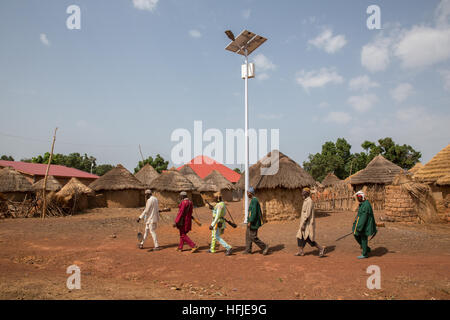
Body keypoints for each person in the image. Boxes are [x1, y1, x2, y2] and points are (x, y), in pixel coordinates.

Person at [295, 187, 325, 257]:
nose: (302, 193)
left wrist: (304, 224)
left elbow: (307, 214)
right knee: (299, 236)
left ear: (307, 193)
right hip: (304, 222)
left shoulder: (309, 201)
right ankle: (300, 251)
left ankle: (321, 248)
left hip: (307, 223)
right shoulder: (305, 200)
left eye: (303, 191)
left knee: (308, 238)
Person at [243, 187, 269, 255]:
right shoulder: (253, 200)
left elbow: (253, 212)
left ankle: (264, 246)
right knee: (248, 235)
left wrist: (250, 221)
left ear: (250, 193)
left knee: (253, 237)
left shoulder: (254, 201)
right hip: (251, 221)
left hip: (254, 222)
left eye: (247, 193)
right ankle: (248, 250)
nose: (247, 194)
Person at [353, 191, 377, 259]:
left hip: (364, 225)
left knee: (363, 238)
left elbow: (364, 217)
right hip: (361, 223)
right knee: (356, 234)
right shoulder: (363, 204)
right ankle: (366, 248)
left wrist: (359, 227)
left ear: (361, 197)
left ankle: (365, 253)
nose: (357, 199)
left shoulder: (366, 205)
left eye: (358, 197)